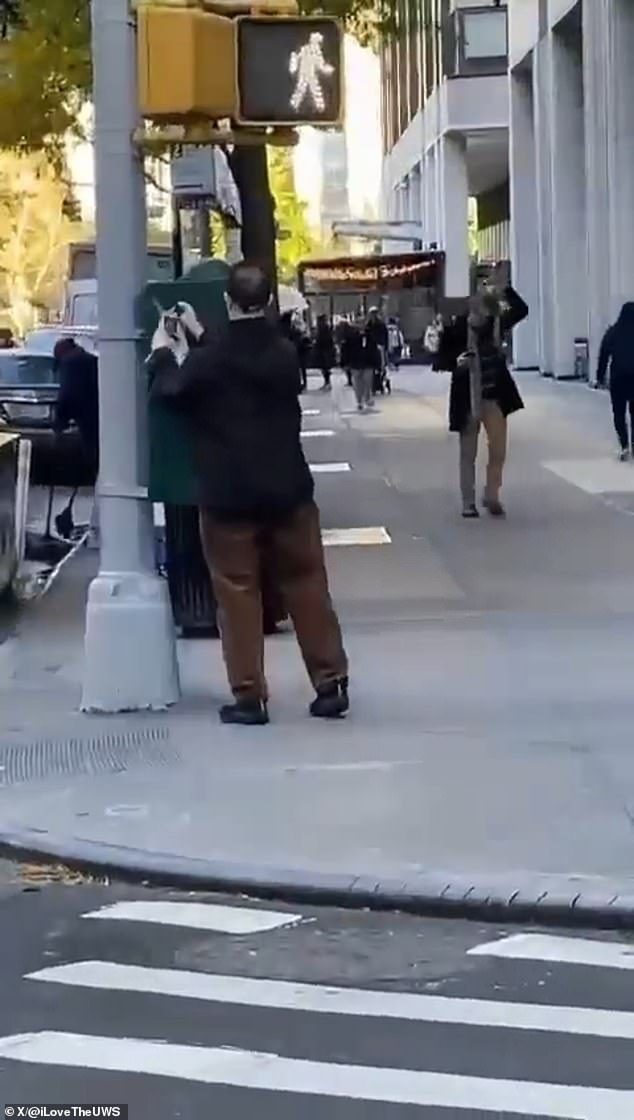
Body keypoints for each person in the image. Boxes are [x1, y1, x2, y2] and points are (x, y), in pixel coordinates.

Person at [150, 261, 349, 727]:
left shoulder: (209, 362)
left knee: (237, 594)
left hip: (228, 497)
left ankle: (249, 697)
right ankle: (330, 683)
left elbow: (174, 390)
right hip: (289, 490)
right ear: (269, 303)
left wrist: (164, 350)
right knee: (307, 584)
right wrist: (201, 337)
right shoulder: (283, 353)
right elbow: (239, 362)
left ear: (227, 301)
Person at [433, 285, 528, 518]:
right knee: (468, 453)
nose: (482, 312)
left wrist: (504, 287)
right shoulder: (456, 330)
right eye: (478, 306)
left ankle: (491, 494)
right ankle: (468, 502)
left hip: (494, 396)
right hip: (468, 399)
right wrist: (457, 362)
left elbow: (521, 310)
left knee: (498, 450)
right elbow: (440, 361)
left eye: (485, 307)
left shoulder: (496, 324)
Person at [53, 337, 99, 543]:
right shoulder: (90, 360)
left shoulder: (70, 364)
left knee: (95, 465)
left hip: (90, 424)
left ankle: (97, 522)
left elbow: (68, 395)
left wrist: (60, 422)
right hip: (103, 421)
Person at [596, 302, 634, 460]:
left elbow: (603, 354)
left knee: (619, 413)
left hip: (618, 379)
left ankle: (624, 446)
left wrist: (600, 377)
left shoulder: (613, 332)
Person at [280, 310, 309, 392]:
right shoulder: (292, 329)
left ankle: (298, 384)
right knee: (300, 369)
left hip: (292, 351)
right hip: (296, 350)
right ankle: (301, 384)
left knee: (295, 369)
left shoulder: (285, 328)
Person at [314, 314, 336, 390]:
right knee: (324, 368)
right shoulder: (324, 328)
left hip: (325, 350)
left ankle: (327, 383)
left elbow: (324, 340)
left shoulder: (323, 329)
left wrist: (317, 343)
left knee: (325, 368)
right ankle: (327, 382)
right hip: (325, 350)